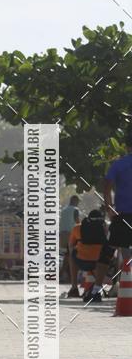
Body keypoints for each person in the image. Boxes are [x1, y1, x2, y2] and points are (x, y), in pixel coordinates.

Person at [88, 129, 132, 303]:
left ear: (127, 147)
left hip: (122, 215)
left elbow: (106, 185)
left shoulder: (119, 164)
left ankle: (96, 290)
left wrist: (108, 207)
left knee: (108, 252)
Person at [68, 210, 111, 302]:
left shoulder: (77, 228)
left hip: (81, 261)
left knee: (71, 255)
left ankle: (74, 288)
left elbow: (71, 246)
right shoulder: (106, 229)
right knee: (105, 257)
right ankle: (96, 290)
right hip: (98, 263)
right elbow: (110, 246)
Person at [60, 195, 80, 287]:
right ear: (75, 201)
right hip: (71, 234)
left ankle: (68, 277)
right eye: (78, 202)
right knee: (71, 255)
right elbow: (77, 221)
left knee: (68, 254)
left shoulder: (64, 210)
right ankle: (62, 274)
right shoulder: (75, 209)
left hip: (62, 234)